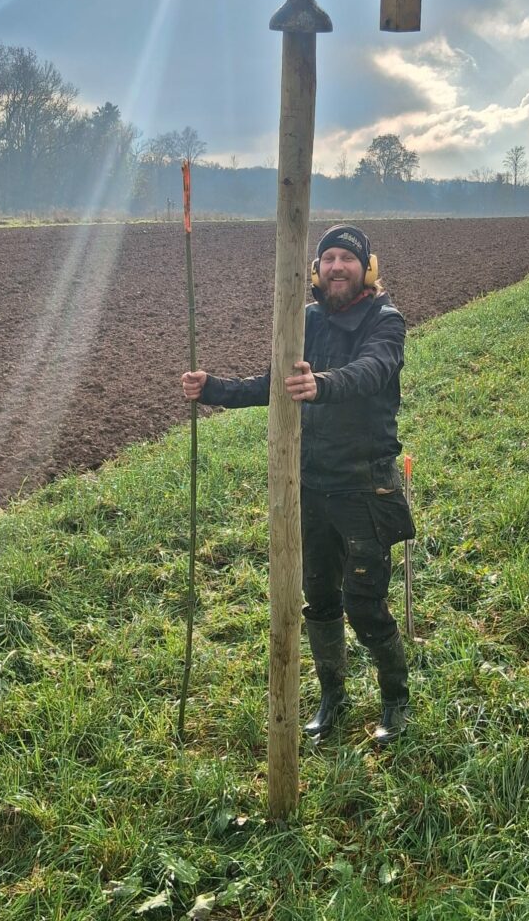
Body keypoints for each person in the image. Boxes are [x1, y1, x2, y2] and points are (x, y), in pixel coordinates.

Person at [182, 224, 415, 745]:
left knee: (365, 602)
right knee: (319, 599)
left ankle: (395, 699)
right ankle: (332, 697)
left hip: (365, 487)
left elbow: (373, 371)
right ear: (316, 269)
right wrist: (212, 388)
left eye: (347, 259)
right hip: (311, 487)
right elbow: (274, 384)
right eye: (328, 257)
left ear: (367, 269)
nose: (337, 266)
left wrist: (322, 384)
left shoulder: (386, 321)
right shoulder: (306, 320)